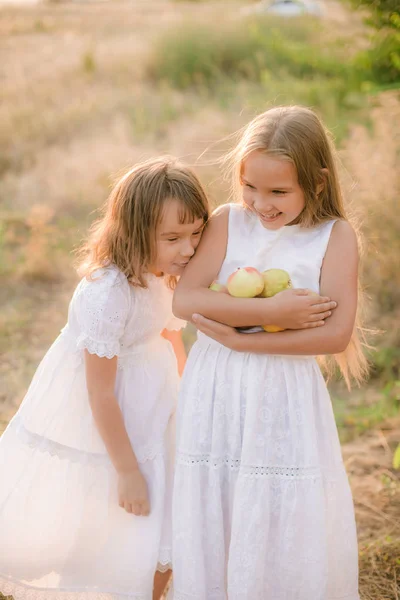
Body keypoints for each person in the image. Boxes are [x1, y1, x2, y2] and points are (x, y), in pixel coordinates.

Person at [172, 106, 367, 599]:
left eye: (279, 192)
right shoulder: (228, 221)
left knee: (277, 499)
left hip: (283, 391)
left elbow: (335, 335)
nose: (262, 203)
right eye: (250, 187)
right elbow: (186, 300)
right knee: (218, 493)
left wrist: (247, 338)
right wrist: (274, 312)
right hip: (217, 384)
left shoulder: (334, 236)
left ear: (317, 182)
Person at [0, 156, 209, 600]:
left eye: (195, 234)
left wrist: (190, 399)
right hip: (106, 414)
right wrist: (127, 468)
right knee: (110, 505)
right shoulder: (107, 293)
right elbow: (99, 393)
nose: (188, 249)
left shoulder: (168, 276)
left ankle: (148, 587)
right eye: (173, 238)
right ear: (133, 232)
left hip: (155, 399)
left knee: (162, 511)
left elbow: (172, 338)